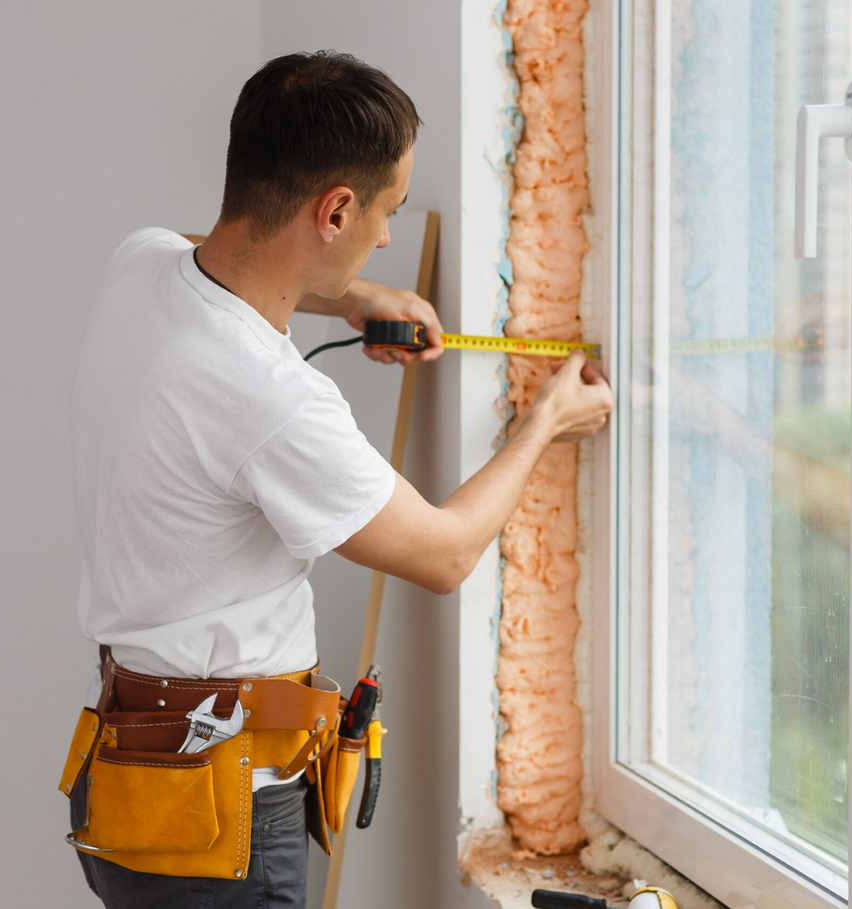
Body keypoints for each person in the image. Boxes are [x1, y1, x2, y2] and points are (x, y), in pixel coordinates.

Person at [64, 50, 612, 909]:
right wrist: (547, 421)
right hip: (222, 815)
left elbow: (192, 242)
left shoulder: (139, 267)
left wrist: (350, 294)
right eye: (385, 210)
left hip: (125, 783)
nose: (389, 233)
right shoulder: (267, 395)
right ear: (335, 209)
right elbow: (443, 554)